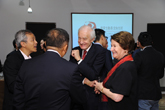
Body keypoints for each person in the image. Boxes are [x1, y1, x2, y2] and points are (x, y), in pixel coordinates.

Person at [13, 28, 87, 110]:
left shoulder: (26, 64)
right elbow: (81, 98)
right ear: (65, 47)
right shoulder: (70, 69)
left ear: (45, 43)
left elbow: (18, 98)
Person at [94, 31, 138, 110]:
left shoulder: (125, 67)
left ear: (126, 47)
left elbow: (117, 97)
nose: (111, 49)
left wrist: (101, 88)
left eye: (114, 46)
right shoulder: (124, 63)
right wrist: (100, 85)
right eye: (111, 46)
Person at [70, 25, 106, 110]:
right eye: (79, 38)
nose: (81, 42)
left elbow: (93, 75)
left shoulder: (100, 52)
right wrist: (84, 81)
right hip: (75, 95)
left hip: (91, 97)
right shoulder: (75, 50)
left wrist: (79, 60)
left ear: (92, 39)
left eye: (84, 39)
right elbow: (70, 73)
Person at [3, 30, 37, 110]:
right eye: (32, 40)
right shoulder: (12, 59)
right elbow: (13, 85)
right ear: (23, 44)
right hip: (16, 105)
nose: (36, 42)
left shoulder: (33, 59)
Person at [134, 32, 164, 110]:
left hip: (143, 94)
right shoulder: (160, 55)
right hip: (156, 93)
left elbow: (134, 73)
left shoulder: (139, 55)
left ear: (139, 43)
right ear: (151, 42)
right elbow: (161, 75)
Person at [94, 28, 113, 110]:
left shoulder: (88, 50)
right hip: (102, 89)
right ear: (102, 37)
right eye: (105, 37)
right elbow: (110, 71)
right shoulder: (105, 52)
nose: (106, 40)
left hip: (89, 87)